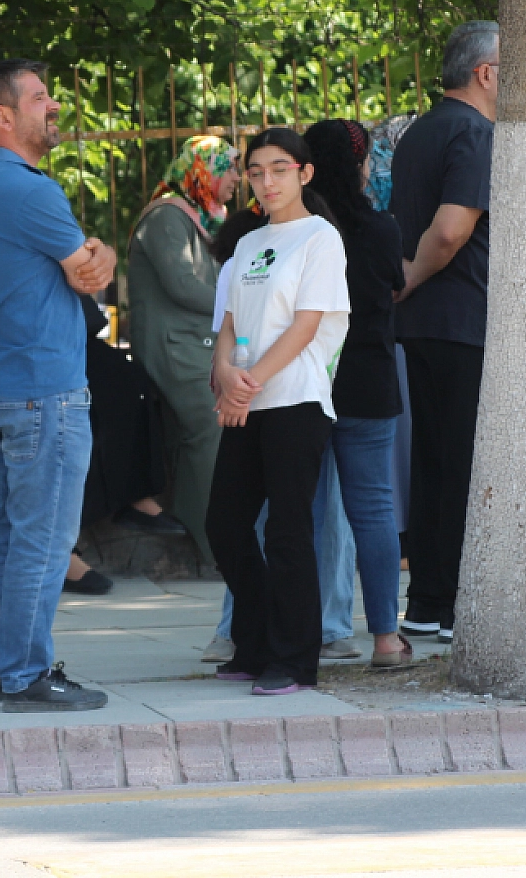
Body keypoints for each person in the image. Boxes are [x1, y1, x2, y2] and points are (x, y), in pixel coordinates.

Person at [0, 59, 115, 712]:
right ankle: (24, 673)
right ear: (3, 115)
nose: (53, 106)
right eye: (40, 97)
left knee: (10, 531)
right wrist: (97, 251)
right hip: (40, 392)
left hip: (1, 389)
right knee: (43, 538)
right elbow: (90, 274)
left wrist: (88, 255)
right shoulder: (28, 190)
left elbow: (80, 267)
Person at [207, 127, 351, 696]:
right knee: (224, 523)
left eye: (280, 169)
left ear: (304, 173)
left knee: (289, 533)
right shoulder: (247, 244)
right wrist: (226, 375)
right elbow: (231, 326)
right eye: (257, 171)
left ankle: (294, 660)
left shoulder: (320, 238)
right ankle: (257, 640)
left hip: (294, 400)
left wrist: (251, 382)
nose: (267, 182)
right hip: (247, 399)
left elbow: (307, 324)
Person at [389, 20, 498, 642]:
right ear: (485, 73)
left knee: (431, 463)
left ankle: (427, 599)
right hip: (462, 319)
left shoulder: (419, 131)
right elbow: (452, 229)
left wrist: (408, 285)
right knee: (461, 465)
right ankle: (454, 604)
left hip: (424, 326)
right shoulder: (473, 131)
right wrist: (412, 274)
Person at [304, 119, 413, 668]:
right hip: (369, 379)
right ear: (359, 165)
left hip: (307, 380)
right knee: (373, 510)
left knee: (304, 509)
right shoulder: (381, 228)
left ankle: (304, 631)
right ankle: (386, 640)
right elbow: (394, 287)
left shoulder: (299, 230)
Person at [126, 135, 240, 555]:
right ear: (201, 169)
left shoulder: (204, 216)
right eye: (227, 168)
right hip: (172, 347)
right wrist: (244, 304)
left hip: (197, 344)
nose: (237, 178)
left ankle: (216, 532)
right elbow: (182, 285)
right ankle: (212, 541)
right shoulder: (166, 217)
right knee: (210, 423)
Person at [64, 295, 176, 597]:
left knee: (129, 379)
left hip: (60, 330)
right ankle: (62, 554)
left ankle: (135, 492)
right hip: (25, 338)